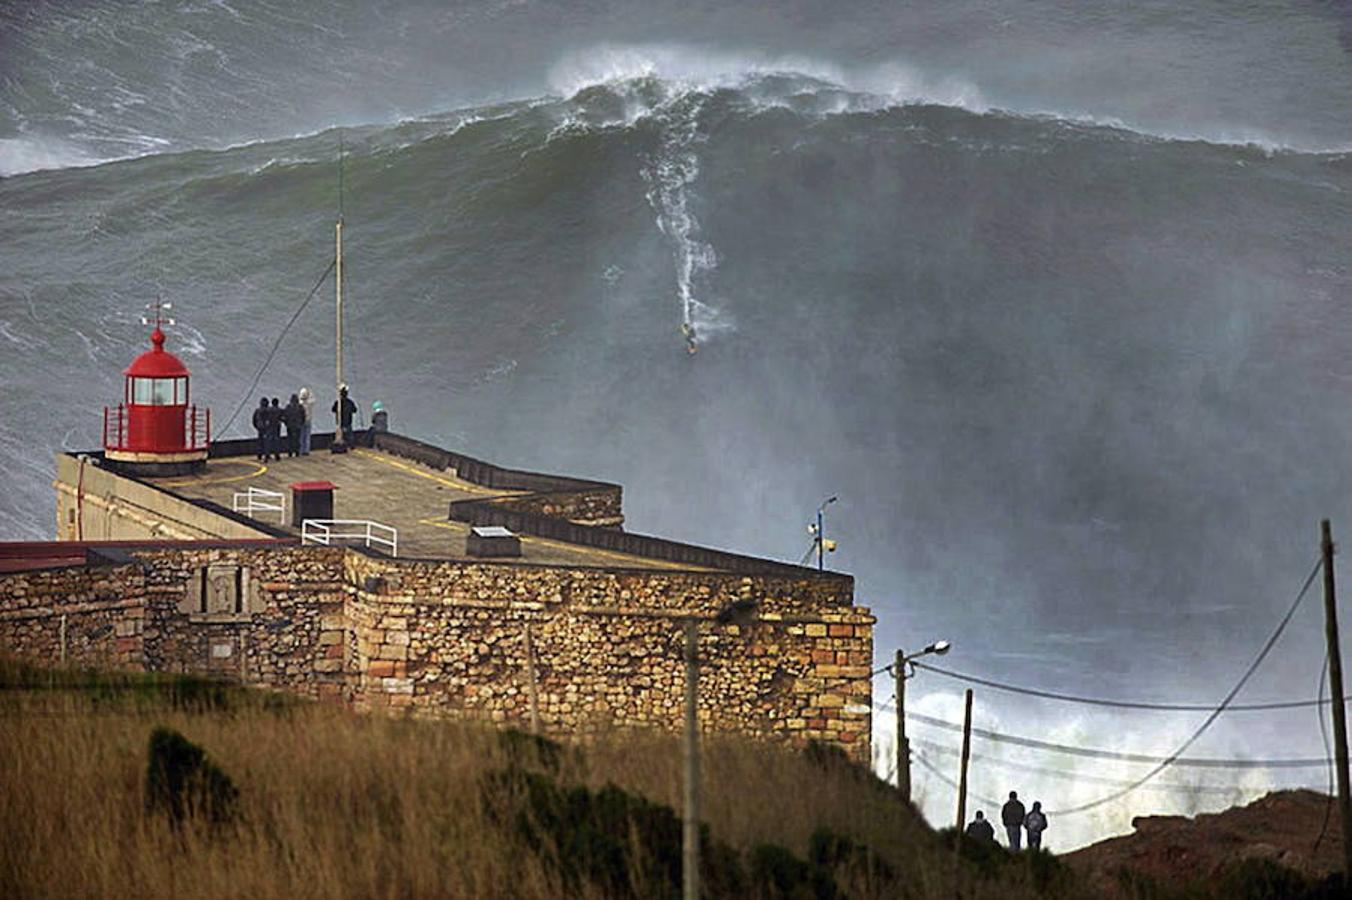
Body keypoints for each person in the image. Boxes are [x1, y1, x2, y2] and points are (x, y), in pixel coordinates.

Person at [297, 387, 315, 455]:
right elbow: (313, 399)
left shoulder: (300, 404)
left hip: (301, 421)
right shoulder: (309, 403)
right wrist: (309, 393)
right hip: (308, 420)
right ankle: (306, 450)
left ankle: (301, 450)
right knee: (307, 436)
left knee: (301, 436)